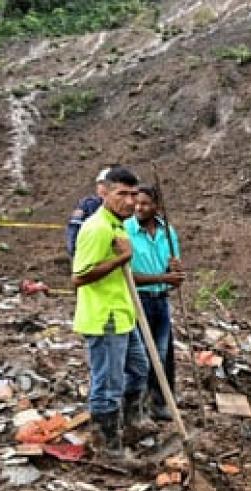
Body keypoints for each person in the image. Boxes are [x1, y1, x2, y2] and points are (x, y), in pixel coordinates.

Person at [72, 166, 146, 462]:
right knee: (108, 384)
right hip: (105, 319)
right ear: (106, 193)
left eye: (133, 195)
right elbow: (79, 277)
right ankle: (107, 444)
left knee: (139, 370)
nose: (130, 202)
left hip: (124, 315)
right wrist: (122, 257)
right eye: (122, 194)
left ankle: (130, 424)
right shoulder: (96, 228)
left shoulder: (120, 225)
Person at [124, 185, 184, 422]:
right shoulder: (126, 230)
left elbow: (172, 270)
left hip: (160, 301)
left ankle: (160, 403)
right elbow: (126, 274)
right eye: (137, 203)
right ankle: (134, 407)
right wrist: (163, 278)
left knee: (163, 353)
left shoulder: (167, 232)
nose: (139, 207)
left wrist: (175, 274)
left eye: (145, 204)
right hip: (139, 300)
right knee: (140, 357)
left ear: (157, 207)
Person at [65, 165, 112, 259]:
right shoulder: (88, 204)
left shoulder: (123, 207)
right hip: (89, 256)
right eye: (101, 184)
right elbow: (74, 228)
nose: (102, 188)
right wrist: (76, 254)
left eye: (106, 184)